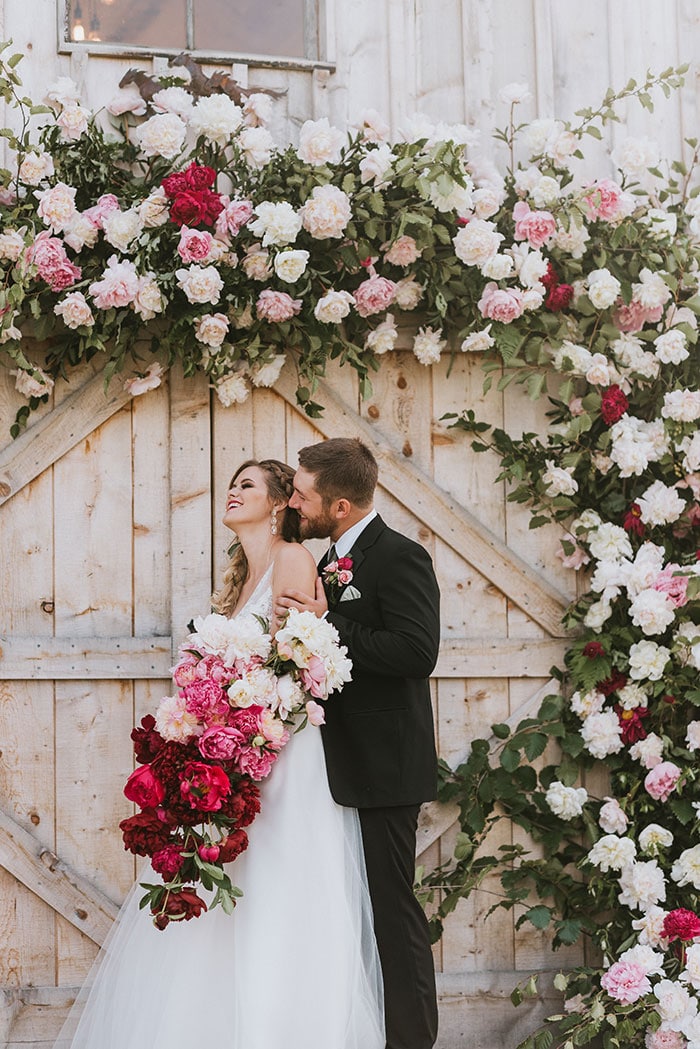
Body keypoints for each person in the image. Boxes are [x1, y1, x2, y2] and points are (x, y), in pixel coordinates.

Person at [55, 458, 384, 1049]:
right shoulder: (237, 578)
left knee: (280, 891)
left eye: (247, 486)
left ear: (282, 501)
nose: (232, 493)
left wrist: (242, 728)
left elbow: (303, 663)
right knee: (231, 892)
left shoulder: (292, 559)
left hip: (282, 758)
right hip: (234, 755)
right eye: (232, 485)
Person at [275, 437, 441, 1049]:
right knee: (354, 913)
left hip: (385, 765)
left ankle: (412, 1042)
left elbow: (415, 653)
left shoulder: (400, 557)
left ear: (339, 506)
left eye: (302, 493)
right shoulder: (324, 561)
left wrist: (327, 624)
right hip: (336, 764)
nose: (295, 500)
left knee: (393, 915)